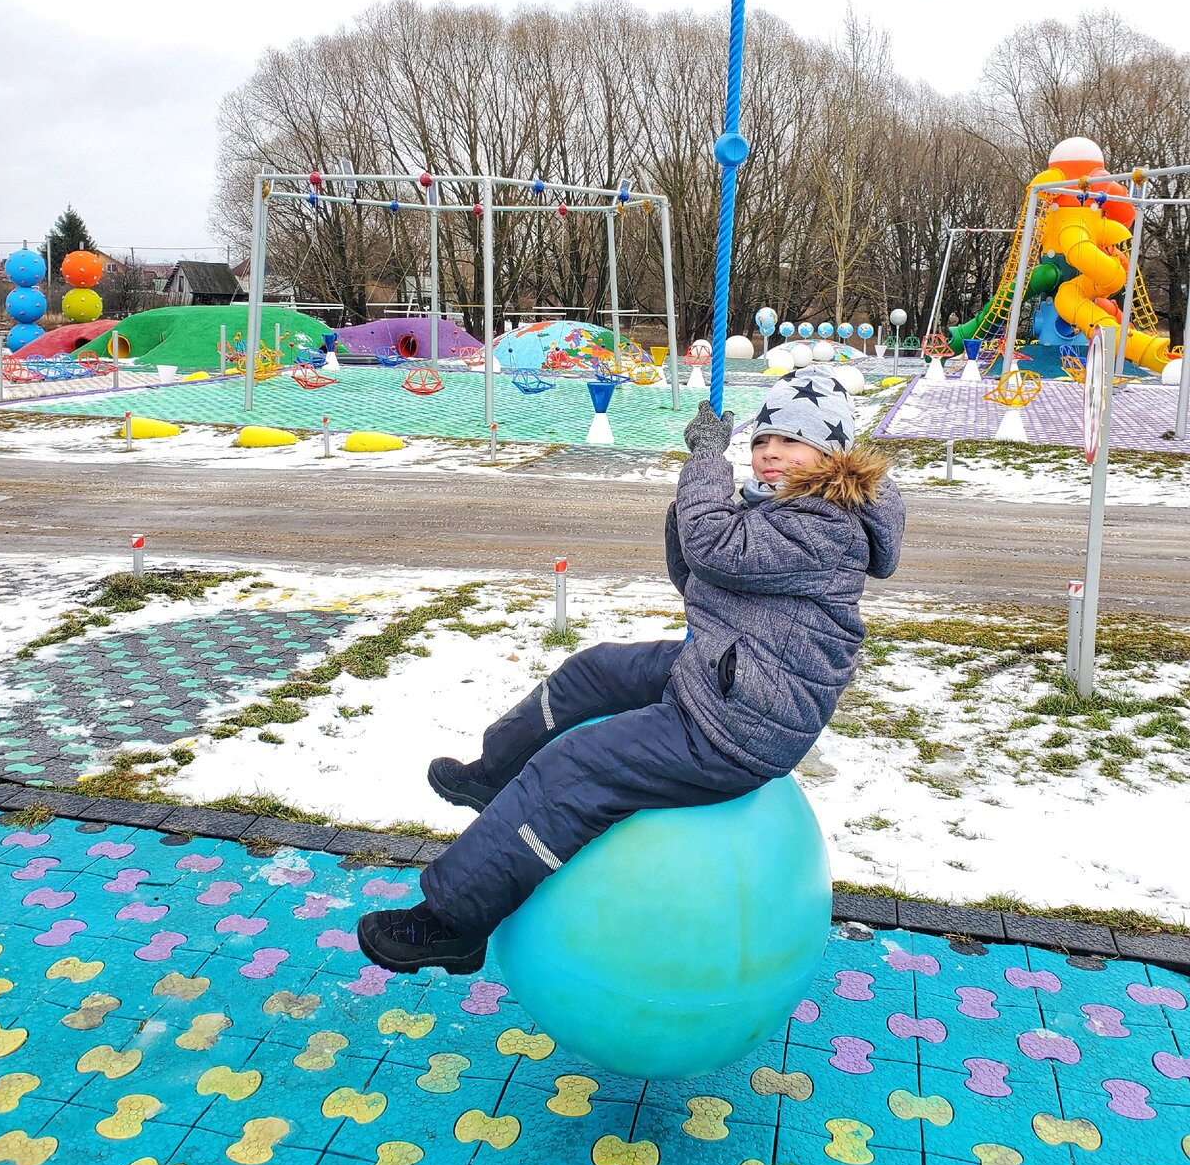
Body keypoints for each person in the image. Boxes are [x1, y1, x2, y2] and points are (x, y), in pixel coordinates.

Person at [357, 371, 905, 975]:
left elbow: (714, 550)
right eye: (761, 441)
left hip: (739, 726)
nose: (770, 453)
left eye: (791, 443)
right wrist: (701, 504)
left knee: (577, 767)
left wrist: (704, 464)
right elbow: (701, 581)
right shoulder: (775, 510)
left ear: (830, 457)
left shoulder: (826, 524)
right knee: (592, 673)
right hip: (725, 676)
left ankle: (453, 924)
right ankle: (493, 774)